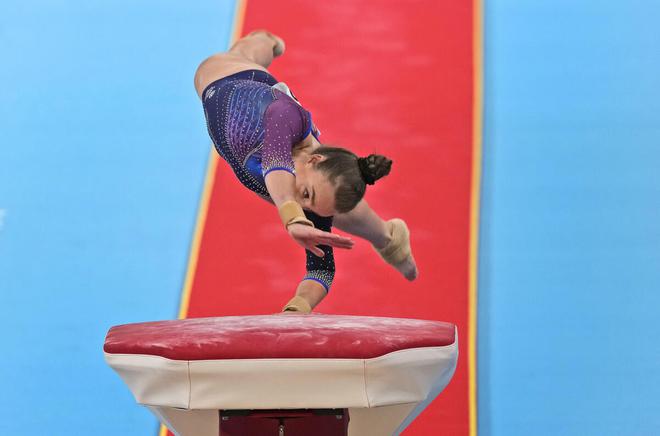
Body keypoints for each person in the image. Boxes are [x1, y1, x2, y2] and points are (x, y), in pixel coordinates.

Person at [193, 30, 418, 313]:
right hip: (235, 76)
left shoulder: (306, 200)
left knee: (337, 212)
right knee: (241, 54)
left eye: (309, 202)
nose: (303, 203)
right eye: (307, 194)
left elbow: (321, 271)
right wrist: (292, 216)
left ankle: (389, 238)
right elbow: (276, 161)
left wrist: (299, 306)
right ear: (313, 160)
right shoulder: (287, 115)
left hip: (265, 156)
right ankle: (269, 41)